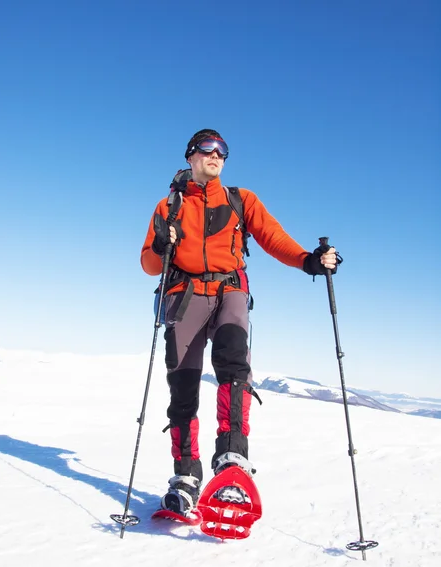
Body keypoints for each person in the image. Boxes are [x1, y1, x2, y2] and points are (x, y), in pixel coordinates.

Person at [141, 129, 338, 516]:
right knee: (182, 382)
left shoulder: (240, 200)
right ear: (191, 156)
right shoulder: (169, 207)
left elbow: (272, 237)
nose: (215, 155)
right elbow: (149, 264)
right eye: (207, 148)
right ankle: (185, 476)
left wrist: (307, 261)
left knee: (234, 368)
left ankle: (231, 463)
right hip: (184, 296)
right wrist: (162, 246)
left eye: (222, 151)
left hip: (230, 289)